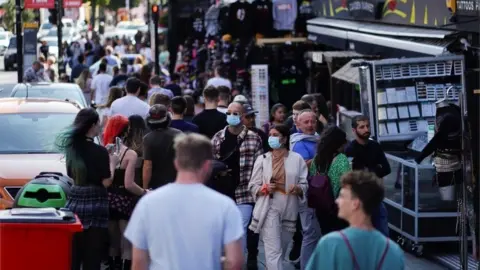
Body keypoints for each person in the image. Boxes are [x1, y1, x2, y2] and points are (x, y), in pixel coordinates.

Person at [125, 133, 244, 270]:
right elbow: (235, 262)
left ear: (176, 163)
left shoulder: (148, 203)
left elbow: (139, 262)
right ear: (207, 166)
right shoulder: (225, 205)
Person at [55, 108, 116, 270]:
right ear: (92, 125)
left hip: (75, 199)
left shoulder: (72, 148)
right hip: (96, 202)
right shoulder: (100, 151)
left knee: (74, 253)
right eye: (98, 125)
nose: (100, 128)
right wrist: (113, 162)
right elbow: (107, 182)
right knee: (92, 255)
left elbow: (71, 174)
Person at [306, 171, 404, 270]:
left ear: (355, 204)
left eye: (342, 196)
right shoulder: (393, 251)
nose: (337, 201)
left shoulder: (330, 245)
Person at [248, 124, 308, 270]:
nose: (271, 138)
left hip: (289, 207)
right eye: (270, 135)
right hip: (269, 207)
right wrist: (264, 188)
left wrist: (299, 189)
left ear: (284, 138)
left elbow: (304, 183)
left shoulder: (297, 159)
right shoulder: (262, 159)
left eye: (275, 135)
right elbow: (253, 185)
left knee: (281, 249)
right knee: (273, 251)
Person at [211, 102, 263, 255]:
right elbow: (209, 163)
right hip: (222, 193)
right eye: (228, 113)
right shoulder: (218, 138)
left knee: (241, 230)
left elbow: (259, 166)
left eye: (235, 113)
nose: (231, 116)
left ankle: (239, 262)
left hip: (244, 192)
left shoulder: (254, 138)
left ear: (242, 116)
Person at [103, 115, 147, 270]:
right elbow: (129, 184)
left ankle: (112, 265)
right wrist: (144, 192)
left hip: (107, 199)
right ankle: (125, 266)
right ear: (126, 130)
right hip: (124, 200)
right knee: (126, 242)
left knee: (113, 241)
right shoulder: (130, 154)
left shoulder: (104, 150)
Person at [345, 115, 391, 236]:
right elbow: (354, 174)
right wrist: (375, 169)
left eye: (367, 126)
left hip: (376, 196)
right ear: (354, 130)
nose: (366, 129)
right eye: (362, 127)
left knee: (382, 229)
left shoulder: (375, 146)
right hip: (359, 198)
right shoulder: (350, 149)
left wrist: (368, 171)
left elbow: (386, 168)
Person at [289, 110, 321, 270]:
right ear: (298, 124)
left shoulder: (318, 139)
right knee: (309, 233)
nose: (310, 125)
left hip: (321, 192)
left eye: (312, 121)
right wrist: (323, 157)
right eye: (306, 122)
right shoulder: (298, 142)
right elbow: (301, 166)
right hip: (307, 193)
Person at [142, 104, 182, 189]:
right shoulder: (179, 134)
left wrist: (144, 189)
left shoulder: (148, 138)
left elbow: (147, 166)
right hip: (177, 182)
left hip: (156, 185)